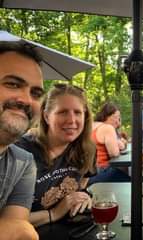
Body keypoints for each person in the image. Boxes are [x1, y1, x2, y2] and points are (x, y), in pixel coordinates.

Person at [15, 84, 96, 227]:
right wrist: (54, 213)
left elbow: (81, 185)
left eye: (77, 112)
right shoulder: (19, 152)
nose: (71, 120)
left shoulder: (87, 150)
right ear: (46, 116)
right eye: (63, 112)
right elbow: (6, 219)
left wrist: (82, 197)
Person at [0, 42, 44, 240]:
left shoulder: (23, 162)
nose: (26, 100)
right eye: (13, 84)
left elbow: (17, 230)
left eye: (35, 93)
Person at [88, 102, 130, 185]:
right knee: (135, 184)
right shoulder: (107, 128)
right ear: (107, 116)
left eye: (119, 119)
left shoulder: (92, 125)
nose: (118, 122)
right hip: (100, 172)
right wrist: (121, 144)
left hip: (87, 175)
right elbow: (114, 154)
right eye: (116, 118)